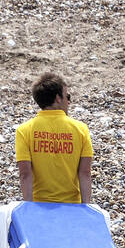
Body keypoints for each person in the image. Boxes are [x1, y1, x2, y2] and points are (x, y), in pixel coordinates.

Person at [15, 72, 93, 203]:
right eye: (67, 96)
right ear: (58, 98)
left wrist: (29, 209)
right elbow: (84, 173)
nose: (68, 101)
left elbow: (25, 174)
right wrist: (85, 207)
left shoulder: (24, 130)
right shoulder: (80, 129)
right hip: (71, 205)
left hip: (40, 205)